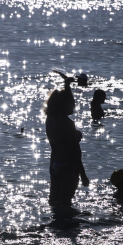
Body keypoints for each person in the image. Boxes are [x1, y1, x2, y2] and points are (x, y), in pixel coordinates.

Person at [45, 78, 89, 208]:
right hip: (68, 167)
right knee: (65, 204)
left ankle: (55, 226)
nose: (74, 105)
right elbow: (74, 151)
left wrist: (67, 86)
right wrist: (83, 174)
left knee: (54, 201)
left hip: (54, 165)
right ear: (64, 105)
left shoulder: (50, 119)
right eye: (72, 102)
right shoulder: (68, 124)